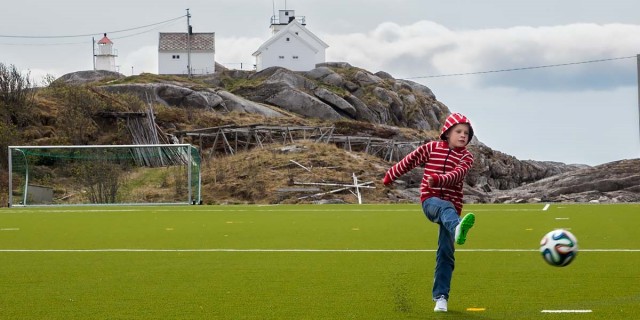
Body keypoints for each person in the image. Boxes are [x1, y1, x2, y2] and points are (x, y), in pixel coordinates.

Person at [382, 112, 476, 313]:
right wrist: (390, 175)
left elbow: (457, 175)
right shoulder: (431, 148)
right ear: (447, 132)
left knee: (446, 253)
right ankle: (458, 226)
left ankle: (441, 298)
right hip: (430, 202)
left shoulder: (467, 157)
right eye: (458, 131)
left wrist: (439, 179)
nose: (463, 136)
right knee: (444, 207)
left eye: (466, 133)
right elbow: (410, 160)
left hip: (453, 208)